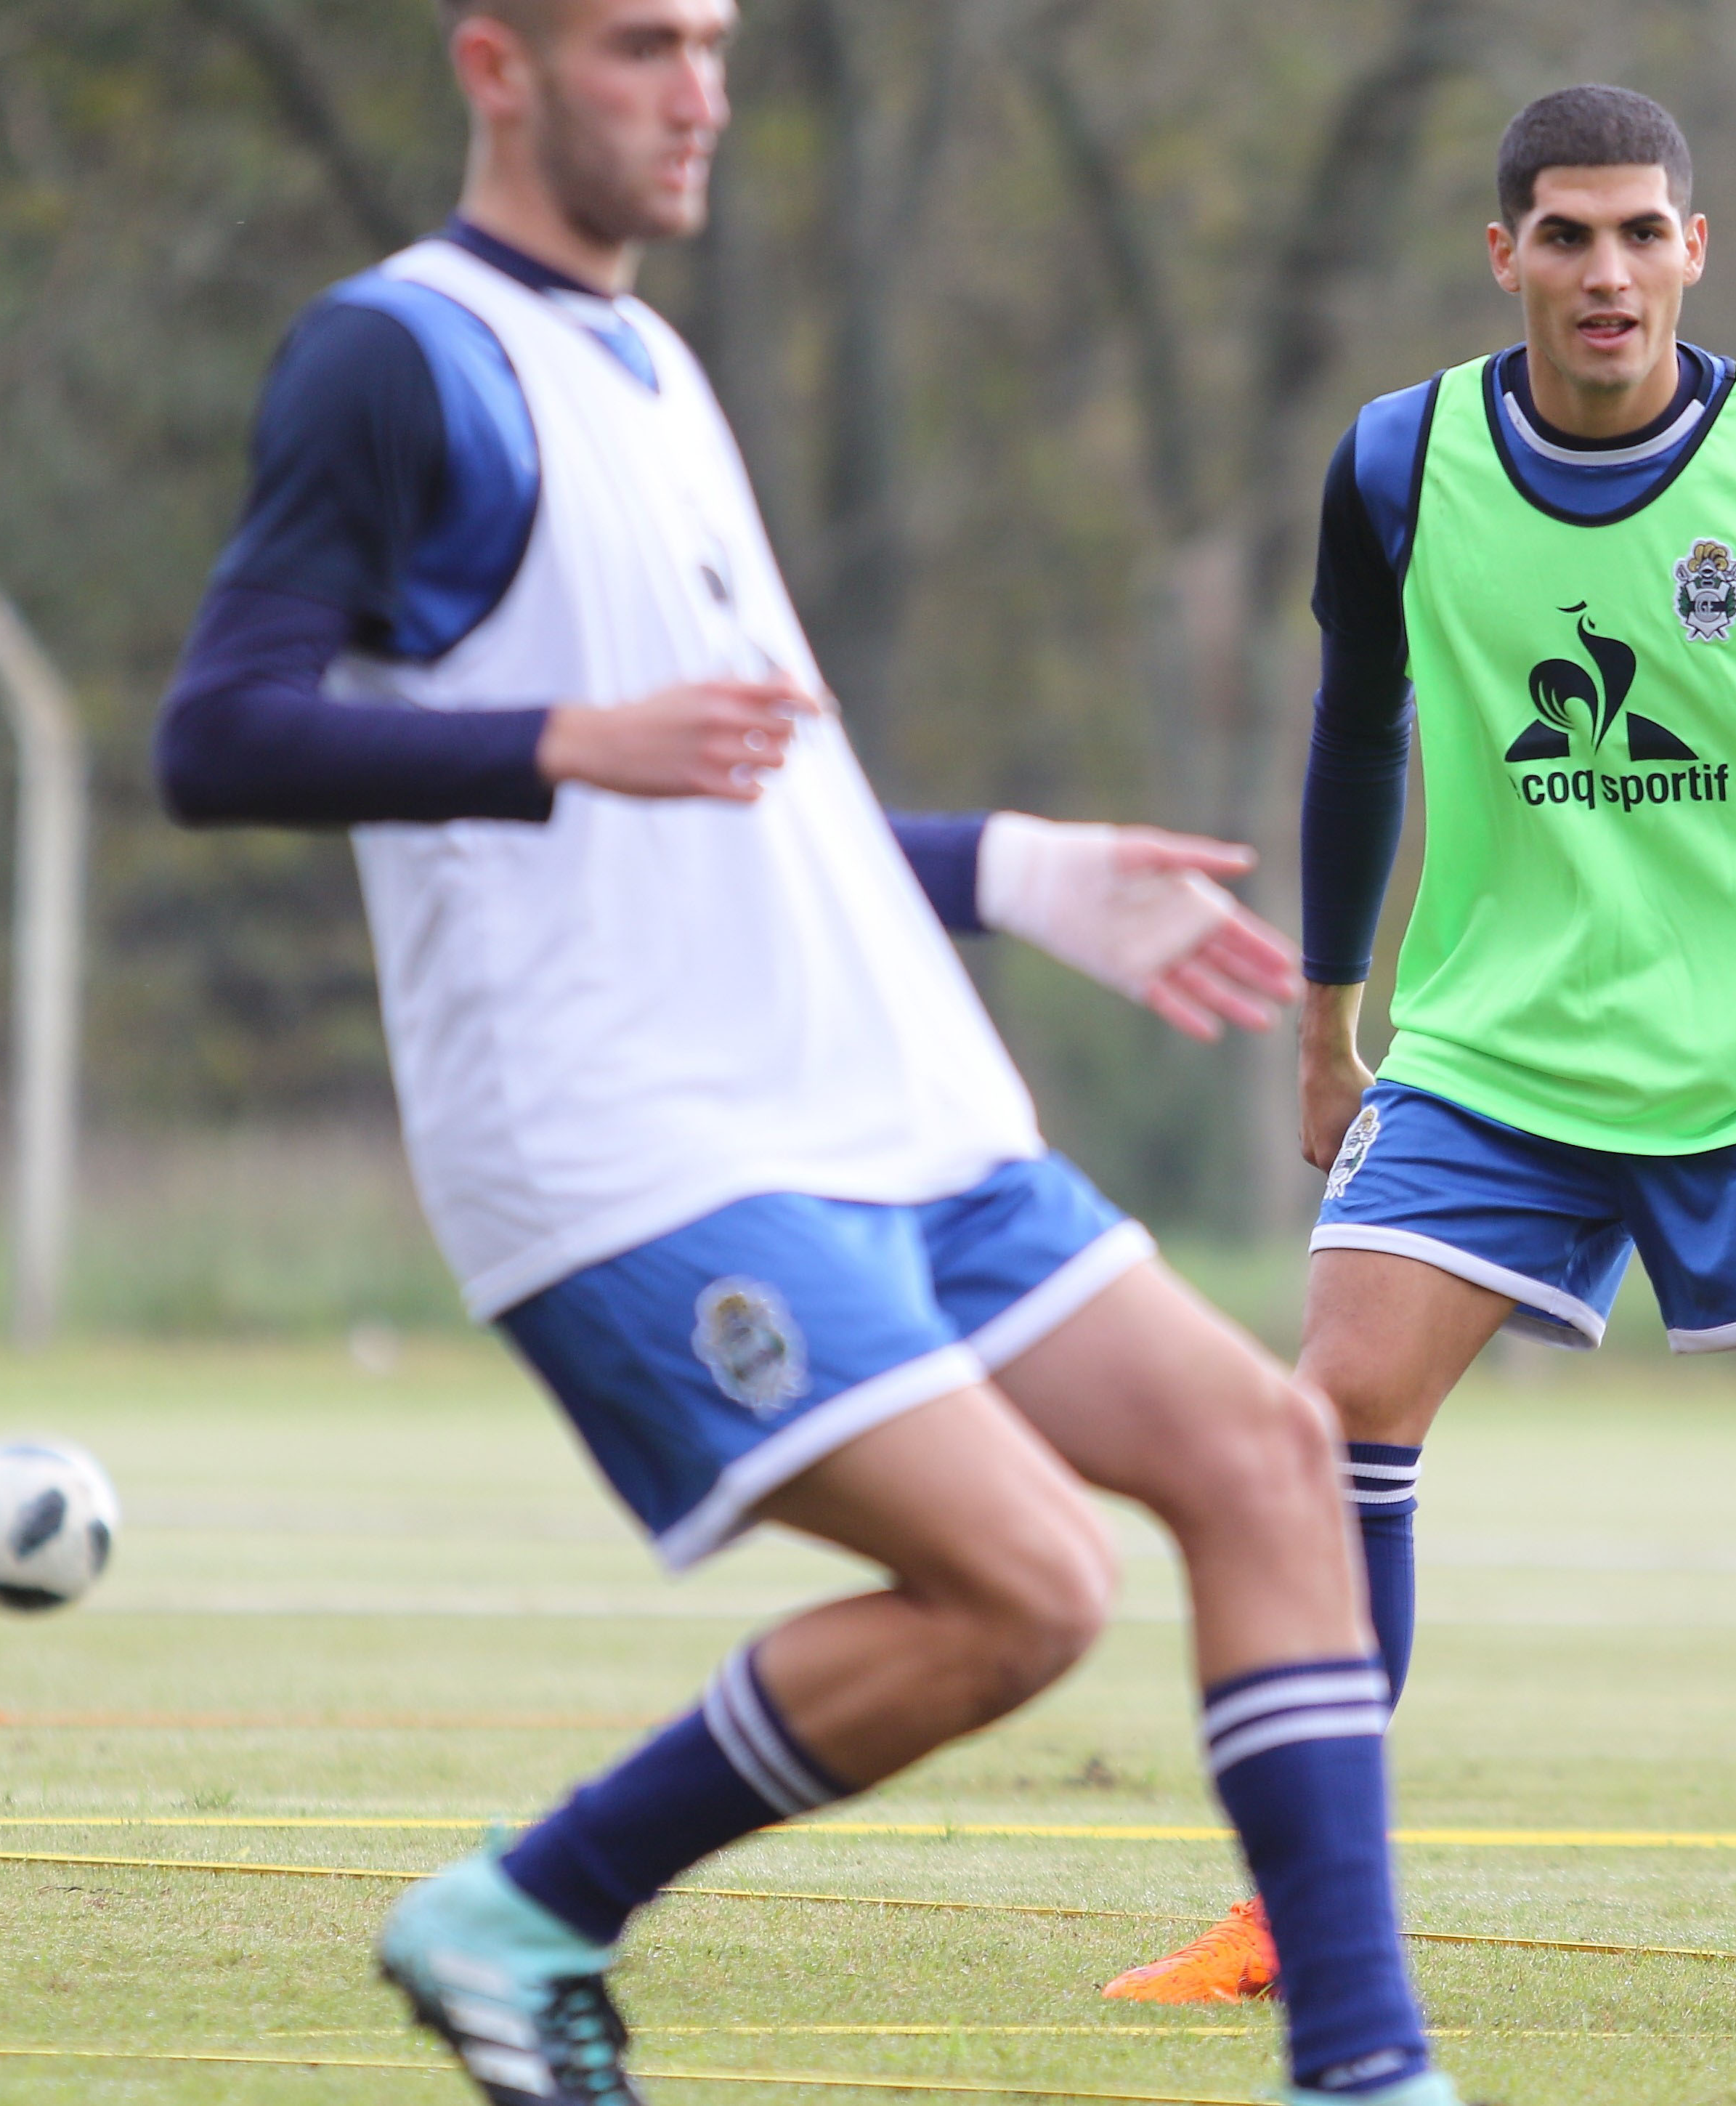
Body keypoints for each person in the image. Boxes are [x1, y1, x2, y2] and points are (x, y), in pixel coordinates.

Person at [153, 3, 1461, 2102]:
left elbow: (749, 792)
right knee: (1024, 1591)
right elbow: (215, 736)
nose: (698, 95)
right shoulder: (393, 355)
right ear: (495, 64)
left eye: (715, 44)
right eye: (640, 46)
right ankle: (531, 1905)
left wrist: (1019, 872)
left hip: (892, 1106)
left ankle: (1366, 2071)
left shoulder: (655, 369)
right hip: (633, 1142)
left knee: (1267, 1455)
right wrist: (557, 742)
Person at [1102, 84, 1736, 2037]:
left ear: (1692, 249)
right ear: (1504, 256)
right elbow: (1351, 737)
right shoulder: (1394, 465)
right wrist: (1326, 1024)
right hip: (1489, 1061)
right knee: (1330, 1423)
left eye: (1641, 231)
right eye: (1564, 234)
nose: (1605, 270)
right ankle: (1292, 1912)